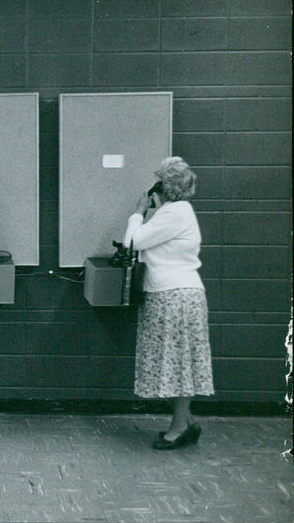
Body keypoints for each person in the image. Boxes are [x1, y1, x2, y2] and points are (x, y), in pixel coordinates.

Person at [122, 156, 214, 450]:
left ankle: (177, 428)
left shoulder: (174, 213)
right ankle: (185, 422)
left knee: (178, 364)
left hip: (174, 296)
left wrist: (138, 213)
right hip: (177, 295)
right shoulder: (175, 212)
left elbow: (131, 242)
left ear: (164, 185)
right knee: (178, 362)